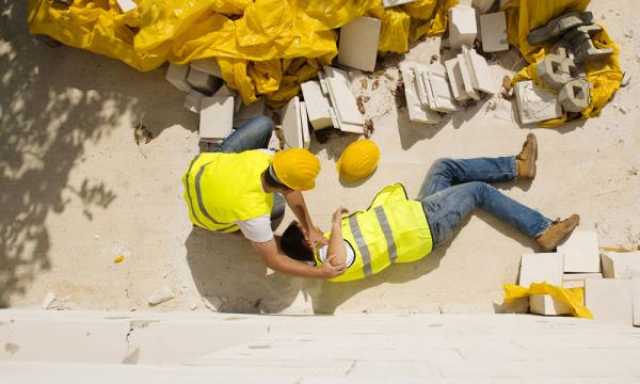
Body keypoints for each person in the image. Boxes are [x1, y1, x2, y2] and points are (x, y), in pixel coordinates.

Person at [279, 134, 580, 281]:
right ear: (309, 241)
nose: (312, 226)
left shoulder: (325, 251)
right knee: (477, 192)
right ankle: (542, 230)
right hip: (425, 227)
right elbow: (340, 259)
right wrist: (332, 226)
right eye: (308, 229)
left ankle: (517, 166)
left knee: (443, 168)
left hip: (416, 214)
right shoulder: (330, 262)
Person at [182, 116, 345, 279]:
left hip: (201, 169)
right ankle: (237, 231)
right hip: (203, 215)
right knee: (278, 207)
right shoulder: (255, 213)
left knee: (263, 124)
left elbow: (290, 188)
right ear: (287, 187)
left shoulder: (264, 157)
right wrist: (320, 272)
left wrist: (309, 228)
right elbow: (272, 260)